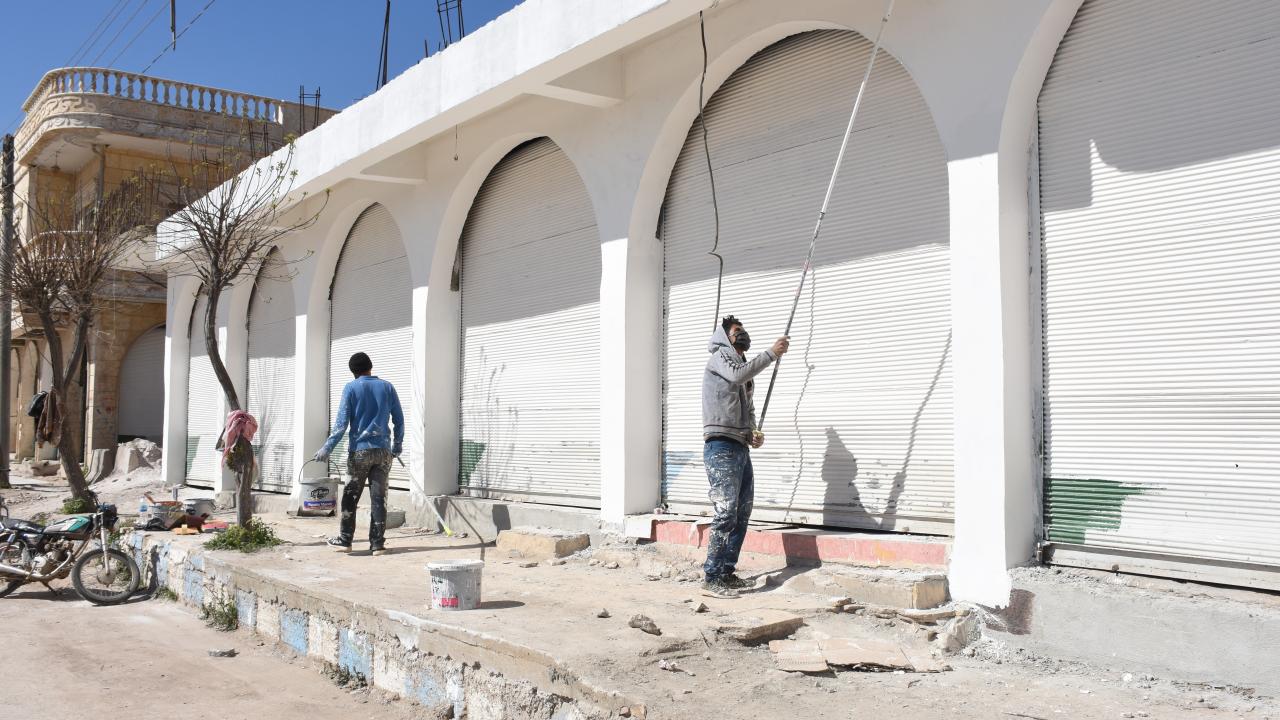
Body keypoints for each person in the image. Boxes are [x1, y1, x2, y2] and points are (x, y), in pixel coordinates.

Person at [701, 315, 789, 598]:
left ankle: (727, 572)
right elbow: (739, 374)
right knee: (726, 512)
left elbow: (748, 407)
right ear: (725, 337)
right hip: (721, 446)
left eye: (743, 330)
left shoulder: (742, 366)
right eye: (737, 331)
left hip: (739, 446)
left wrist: (752, 433)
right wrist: (771, 354)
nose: (743, 334)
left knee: (741, 513)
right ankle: (712, 577)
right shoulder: (721, 358)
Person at [312, 352, 404, 555]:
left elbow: (341, 424)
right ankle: (377, 544)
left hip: (360, 451)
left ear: (353, 372)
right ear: (371, 366)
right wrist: (397, 446)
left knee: (350, 497)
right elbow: (399, 419)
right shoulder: (387, 387)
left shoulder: (351, 388)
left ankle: (345, 540)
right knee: (379, 499)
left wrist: (327, 448)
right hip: (383, 452)